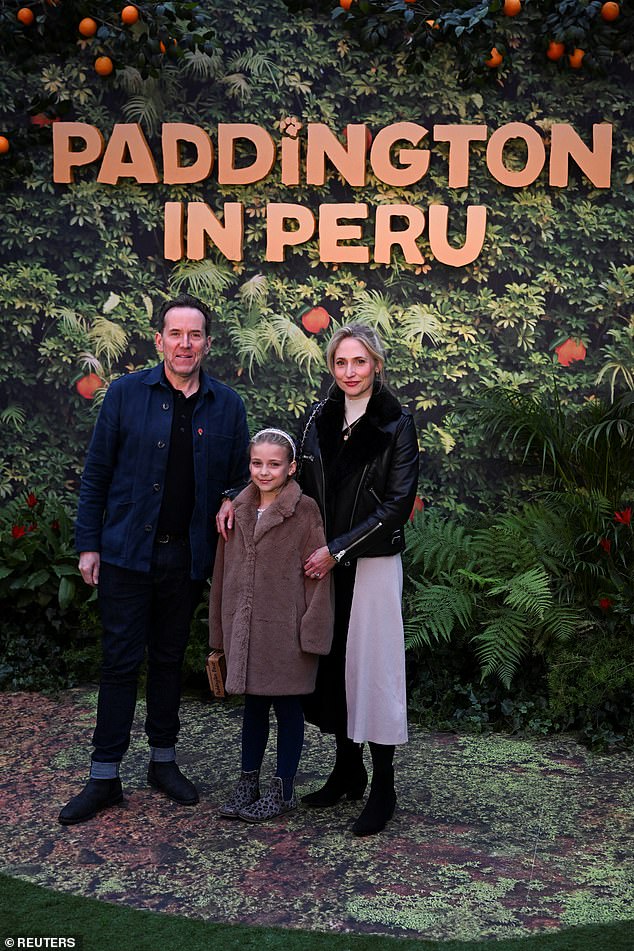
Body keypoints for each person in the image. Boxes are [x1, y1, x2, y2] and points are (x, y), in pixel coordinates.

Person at [58, 293, 250, 825]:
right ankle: (103, 777)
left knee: (168, 661)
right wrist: (89, 544)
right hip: (125, 554)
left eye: (195, 335)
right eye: (175, 334)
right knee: (120, 663)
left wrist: (233, 497)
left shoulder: (228, 406)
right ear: (159, 339)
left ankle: (163, 763)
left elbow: (241, 477)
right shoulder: (124, 395)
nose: (184, 344)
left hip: (186, 560)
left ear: (207, 344)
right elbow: (96, 473)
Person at [298, 322, 419, 836]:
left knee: (374, 670)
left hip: (368, 561)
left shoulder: (396, 424)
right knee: (333, 668)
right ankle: (348, 770)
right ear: (332, 366)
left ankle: (384, 787)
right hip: (325, 560)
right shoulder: (317, 418)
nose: (350, 372)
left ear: (377, 365)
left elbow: (395, 508)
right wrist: (236, 503)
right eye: (341, 363)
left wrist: (338, 550)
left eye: (360, 362)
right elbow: (295, 482)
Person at [209, 428, 333, 822]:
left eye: (274, 464)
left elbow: (318, 574)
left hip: (286, 630)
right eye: (257, 463)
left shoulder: (305, 511)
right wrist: (219, 632)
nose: (264, 472)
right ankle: (248, 782)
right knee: (253, 708)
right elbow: (222, 571)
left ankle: (283, 788)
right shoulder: (237, 509)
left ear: (291, 468)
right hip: (245, 630)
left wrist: (312, 632)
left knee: (288, 707)